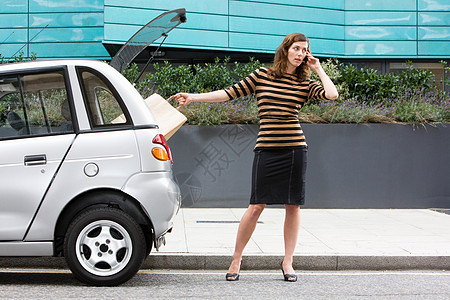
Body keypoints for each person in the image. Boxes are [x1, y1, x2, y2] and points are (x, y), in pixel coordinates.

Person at [174, 33, 338, 282]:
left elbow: (332, 94)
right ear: (285, 50)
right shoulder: (263, 75)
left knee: (292, 206)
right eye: (296, 48)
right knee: (256, 206)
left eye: (304, 50)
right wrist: (194, 97)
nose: (300, 53)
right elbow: (229, 93)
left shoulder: (304, 84)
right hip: (267, 149)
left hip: (295, 149)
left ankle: (288, 262)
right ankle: (236, 259)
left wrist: (318, 68)